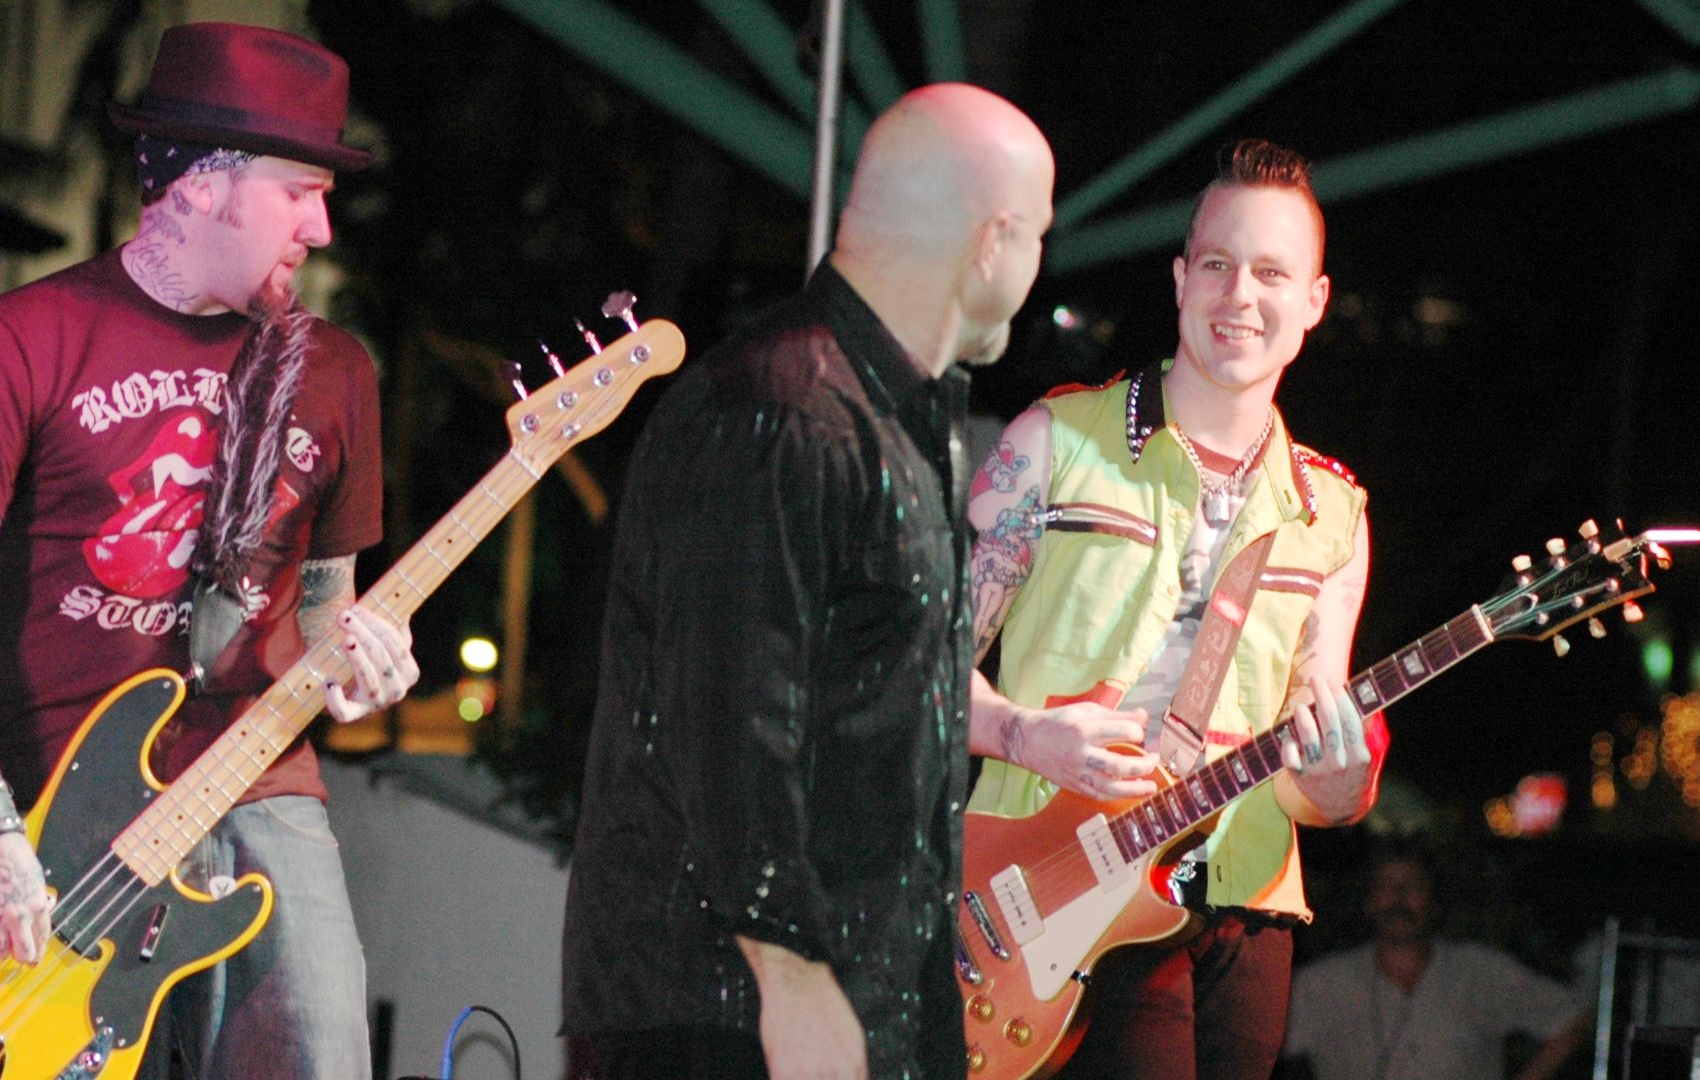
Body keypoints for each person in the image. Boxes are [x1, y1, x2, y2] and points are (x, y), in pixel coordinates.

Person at [0, 22, 418, 1079]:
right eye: (297, 189)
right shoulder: (23, 339)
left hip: (257, 790)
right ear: (205, 184)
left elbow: (326, 610)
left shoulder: (336, 371)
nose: (321, 223)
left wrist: (360, 663)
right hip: (49, 810)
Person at [561, 83, 1079, 1080]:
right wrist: (790, 975)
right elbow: (730, 716)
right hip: (737, 1009)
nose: (1036, 267)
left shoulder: (880, 415)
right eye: (1039, 237)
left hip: (845, 995)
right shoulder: (784, 414)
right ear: (992, 243)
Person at [962, 138, 1385, 1079]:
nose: (1243, 296)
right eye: (1220, 266)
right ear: (1182, 279)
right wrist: (1027, 735)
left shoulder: (1336, 514)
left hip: (1247, 907)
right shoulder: (1053, 444)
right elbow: (910, 670)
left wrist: (1338, 783)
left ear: (1313, 302)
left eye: (1273, 272)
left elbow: (1317, 772)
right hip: (1054, 883)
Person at [1283, 841, 1589, 1080]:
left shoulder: (1479, 971)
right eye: (1386, 886)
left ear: (1432, 901)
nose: (1399, 898)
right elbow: (1252, 1042)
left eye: (1412, 886)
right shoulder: (1322, 983)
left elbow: (1573, 1017)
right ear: (1369, 902)